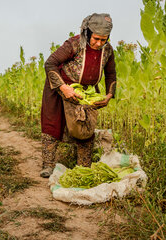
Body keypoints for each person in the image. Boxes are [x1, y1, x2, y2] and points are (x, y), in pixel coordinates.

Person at [40, 13, 117, 178]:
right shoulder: (74, 44)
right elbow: (50, 63)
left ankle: (83, 167)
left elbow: (111, 74)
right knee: (53, 124)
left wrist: (109, 95)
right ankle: (48, 165)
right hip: (60, 87)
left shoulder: (108, 50)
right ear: (87, 33)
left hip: (85, 93)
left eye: (104, 40)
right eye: (96, 39)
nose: (99, 43)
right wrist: (63, 87)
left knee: (84, 127)